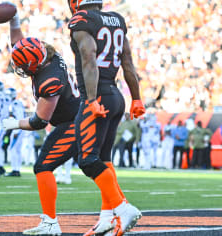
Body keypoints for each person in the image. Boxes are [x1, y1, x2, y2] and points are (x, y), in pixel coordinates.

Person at [67, 0, 145, 235]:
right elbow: (128, 62)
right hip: (116, 95)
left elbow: (89, 58)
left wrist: (91, 99)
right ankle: (107, 217)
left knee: (88, 160)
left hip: (98, 96)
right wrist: (137, 98)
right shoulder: (117, 20)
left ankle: (123, 208)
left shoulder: (82, 21)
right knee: (104, 159)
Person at [0, 9, 80, 234]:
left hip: (73, 123)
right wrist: (14, 20)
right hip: (70, 119)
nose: (20, 68)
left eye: (23, 65)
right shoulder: (47, 57)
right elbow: (18, 43)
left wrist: (14, 124)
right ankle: (116, 209)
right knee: (93, 165)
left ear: (33, 65)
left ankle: (51, 223)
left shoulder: (49, 80)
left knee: (43, 166)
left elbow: (39, 121)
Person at [4, 87, 26, 177]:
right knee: (16, 150)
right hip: (20, 127)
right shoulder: (17, 103)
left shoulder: (15, 104)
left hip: (18, 128)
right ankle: (17, 169)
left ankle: (15, 169)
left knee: (13, 149)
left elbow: (19, 117)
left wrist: (17, 130)